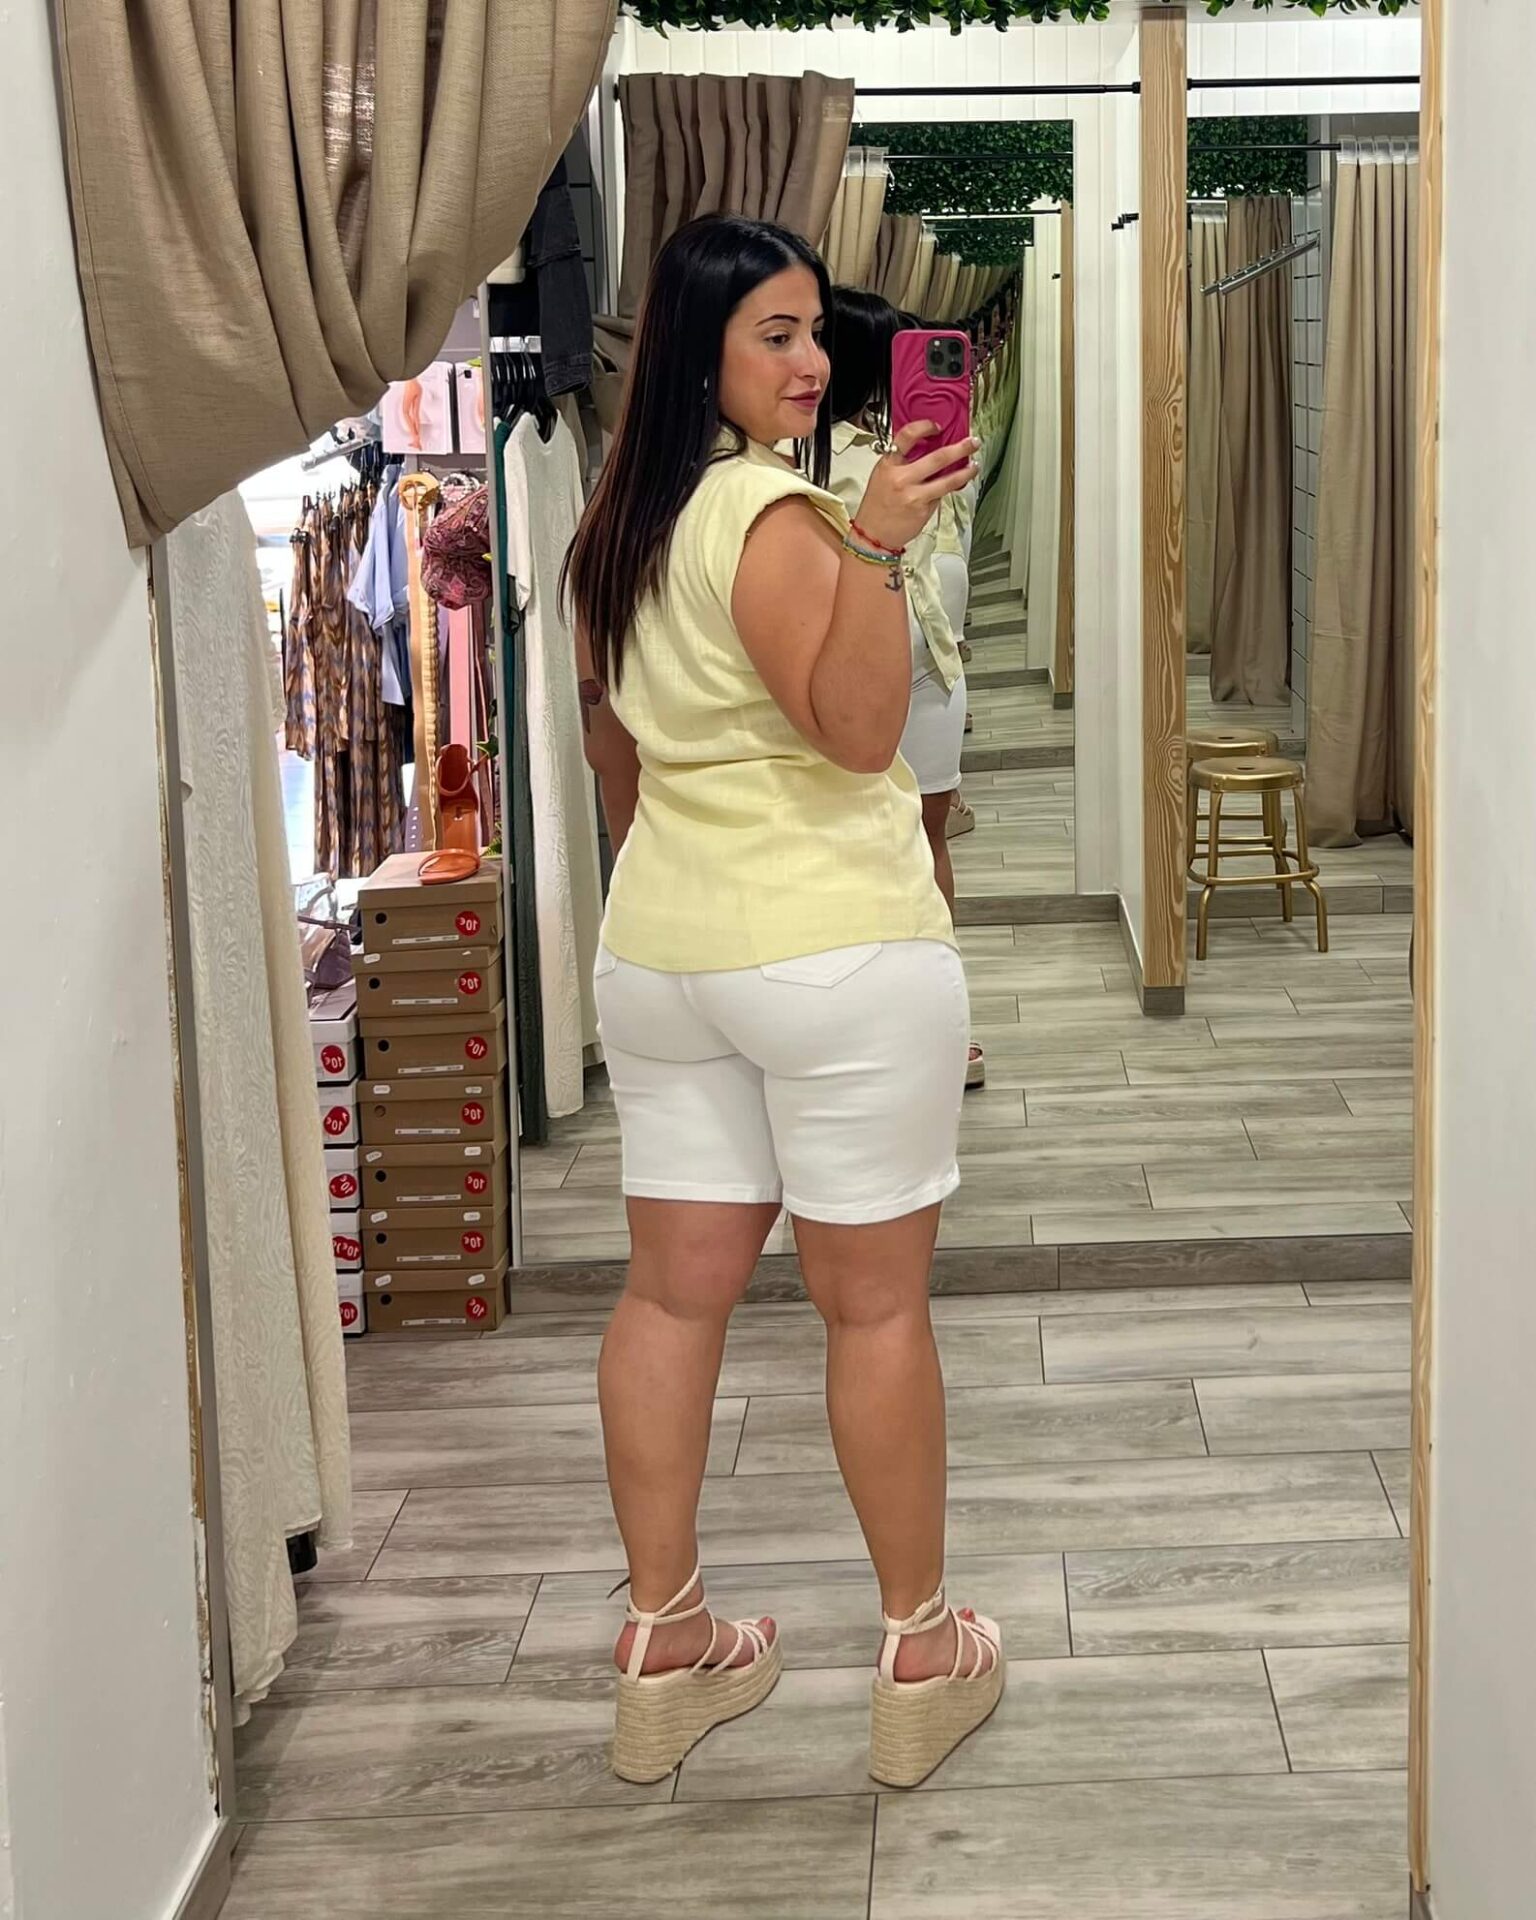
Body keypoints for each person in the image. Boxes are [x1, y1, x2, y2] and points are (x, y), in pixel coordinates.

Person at [564, 214, 1004, 1792]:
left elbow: (615, 750)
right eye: (775, 334)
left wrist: (680, 880)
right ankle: (921, 1652)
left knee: (669, 1300)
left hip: (664, 951)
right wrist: (877, 546)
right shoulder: (773, 515)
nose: (814, 361)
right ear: (702, 351)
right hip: (832, 950)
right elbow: (859, 732)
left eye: (816, 330)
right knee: (872, 1307)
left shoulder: (618, 527)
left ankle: (667, 1642)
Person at [826, 287, 985, 1089]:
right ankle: (900, 1026)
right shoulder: (814, 467)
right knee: (881, 849)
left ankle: (937, 1025)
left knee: (924, 844)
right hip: (872, 673)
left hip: (933, 667)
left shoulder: (894, 455)